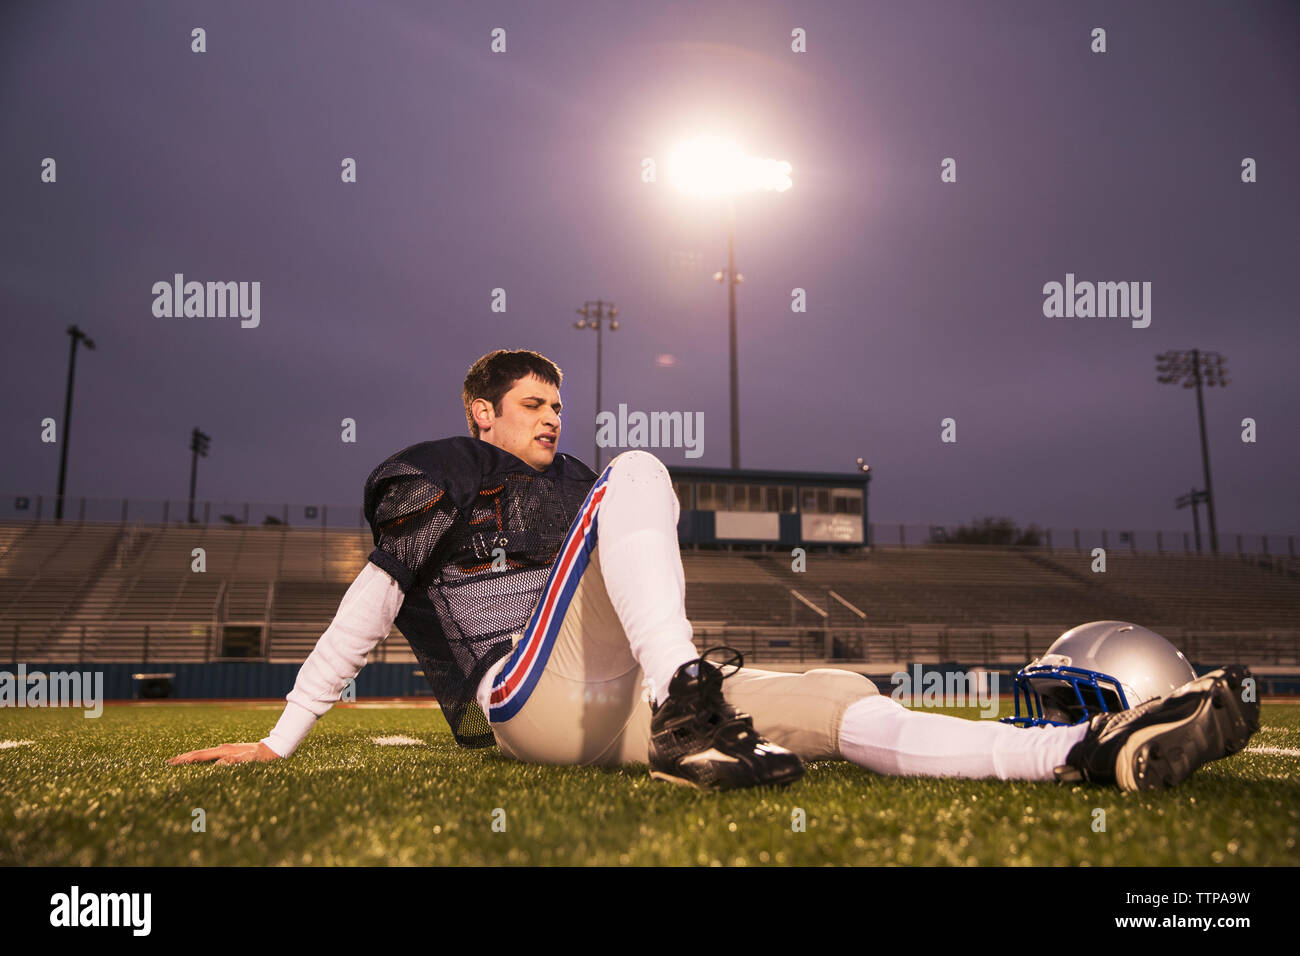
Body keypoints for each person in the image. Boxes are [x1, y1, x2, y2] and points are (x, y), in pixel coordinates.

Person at [171, 349, 1259, 791]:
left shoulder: (577, 480)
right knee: (640, 466)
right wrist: (279, 736)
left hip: (615, 706)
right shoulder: (443, 472)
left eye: (559, 402)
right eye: (534, 404)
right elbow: (371, 603)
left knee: (839, 694)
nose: (555, 417)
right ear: (481, 412)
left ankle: (1077, 752)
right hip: (525, 691)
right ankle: (687, 710)